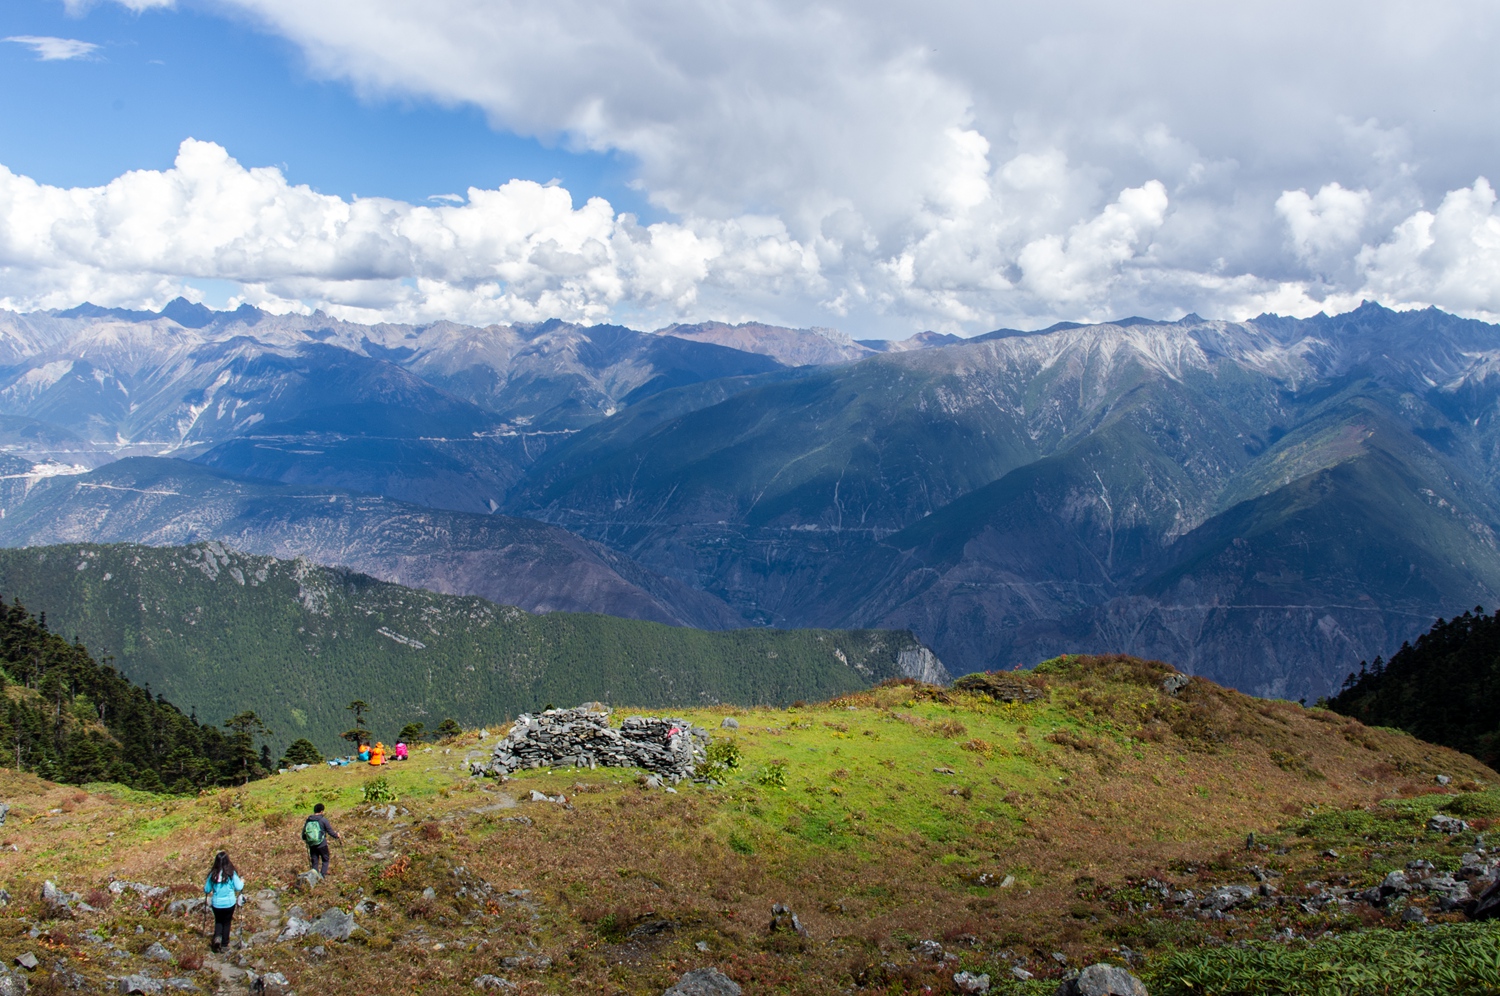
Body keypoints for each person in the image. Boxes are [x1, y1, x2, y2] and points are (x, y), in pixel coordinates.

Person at [203, 851, 244, 953]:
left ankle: (217, 937)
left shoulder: (213, 874)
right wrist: (242, 881)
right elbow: (238, 887)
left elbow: (207, 889)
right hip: (229, 903)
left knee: (218, 921)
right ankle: (225, 944)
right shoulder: (231, 873)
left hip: (216, 904)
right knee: (227, 922)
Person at [302, 803, 341, 877]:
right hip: (322, 844)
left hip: (312, 844)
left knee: (315, 861)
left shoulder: (309, 820)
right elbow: (330, 832)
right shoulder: (323, 820)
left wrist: (309, 840)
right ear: (321, 811)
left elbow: (303, 835)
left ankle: (313, 878)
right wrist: (337, 836)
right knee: (325, 860)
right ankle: (322, 876)